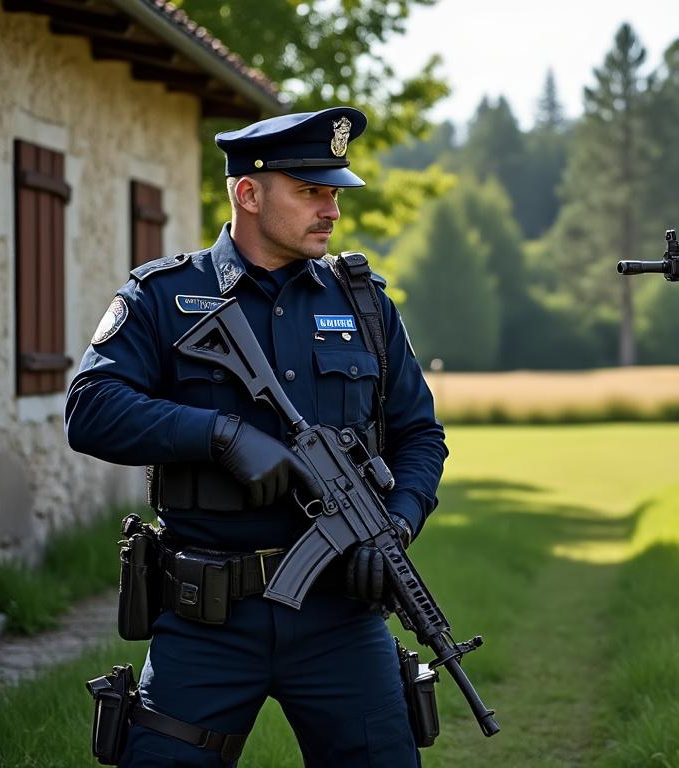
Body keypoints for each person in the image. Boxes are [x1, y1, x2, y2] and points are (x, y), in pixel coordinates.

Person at [66, 106, 447, 767]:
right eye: (311, 192)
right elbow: (91, 408)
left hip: (340, 616)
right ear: (248, 193)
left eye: (335, 193)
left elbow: (419, 435)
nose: (331, 210)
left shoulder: (364, 305)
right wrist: (218, 434)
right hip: (205, 617)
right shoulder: (164, 296)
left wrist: (399, 520)